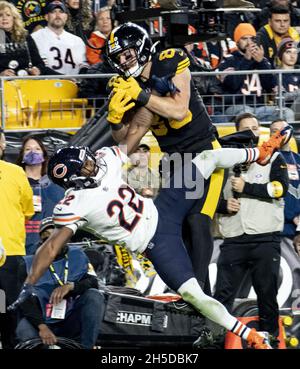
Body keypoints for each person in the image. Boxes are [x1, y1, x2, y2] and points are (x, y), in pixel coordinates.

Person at [9, 130, 292, 349]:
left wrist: (139, 98)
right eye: (83, 168)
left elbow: (136, 129)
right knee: (194, 294)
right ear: (73, 182)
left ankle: (260, 152)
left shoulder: (105, 160)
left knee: (207, 158)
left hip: (161, 208)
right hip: (156, 244)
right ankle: (251, 335)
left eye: (88, 159)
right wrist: (30, 283)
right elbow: (52, 246)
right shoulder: (73, 205)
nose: (91, 165)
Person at [104, 22, 225, 295]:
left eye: (127, 54)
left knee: (197, 221)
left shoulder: (169, 60)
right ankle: (183, 289)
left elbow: (179, 110)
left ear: (143, 48)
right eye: (118, 58)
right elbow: (130, 138)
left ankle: (200, 293)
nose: (124, 62)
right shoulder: (133, 86)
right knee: (172, 228)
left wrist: (141, 94)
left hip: (206, 154)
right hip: (175, 163)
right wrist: (114, 121)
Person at [212, 113, 289, 346]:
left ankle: (270, 341)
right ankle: (215, 341)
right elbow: (204, 197)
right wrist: (222, 205)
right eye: (246, 128)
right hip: (233, 238)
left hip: (265, 239)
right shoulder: (223, 160)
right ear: (236, 131)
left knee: (267, 296)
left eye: (255, 128)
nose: (252, 133)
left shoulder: (274, 157)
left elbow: (279, 189)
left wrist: (247, 187)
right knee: (222, 297)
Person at [15, 217, 104, 349]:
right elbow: (24, 301)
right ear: (41, 242)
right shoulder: (27, 263)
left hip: (69, 319)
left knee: (94, 296)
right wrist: (42, 327)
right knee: (24, 331)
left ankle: (87, 346)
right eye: (46, 240)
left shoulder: (79, 256)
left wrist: (71, 286)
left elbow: (93, 282)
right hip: (41, 321)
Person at [0, 128, 34, 348]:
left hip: (11, 254)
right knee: (7, 309)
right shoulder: (15, 173)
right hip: (11, 251)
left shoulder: (16, 172)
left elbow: (27, 209)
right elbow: (27, 209)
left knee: (9, 309)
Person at [217, 22, 281, 122]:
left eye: (252, 38)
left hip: (260, 107)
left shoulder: (261, 60)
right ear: (237, 41)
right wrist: (246, 60)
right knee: (248, 115)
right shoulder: (228, 60)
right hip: (236, 107)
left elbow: (271, 86)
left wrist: (261, 63)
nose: (249, 42)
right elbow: (233, 85)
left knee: (285, 112)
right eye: (244, 38)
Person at [15, 135, 65, 255]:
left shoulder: (56, 185)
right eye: (28, 149)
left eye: (37, 149)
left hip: (52, 245)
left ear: (44, 156)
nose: (33, 152)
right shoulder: (15, 182)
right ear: (22, 156)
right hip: (21, 243)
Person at [0, 1, 60, 76]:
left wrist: (38, 70)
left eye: (8, 15)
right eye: (0, 15)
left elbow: (39, 64)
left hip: (28, 82)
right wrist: (1, 74)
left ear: (14, 18)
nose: (4, 18)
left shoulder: (25, 36)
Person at [31, 1, 88, 75]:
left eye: (61, 12)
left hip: (73, 85)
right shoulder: (35, 38)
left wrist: (78, 81)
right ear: (46, 17)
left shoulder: (77, 40)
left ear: (66, 17)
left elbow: (84, 66)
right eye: (53, 12)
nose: (58, 15)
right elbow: (39, 67)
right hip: (46, 84)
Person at [270, 119, 300, 248]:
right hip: (280, 229)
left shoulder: (298, 159)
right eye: (274, 131)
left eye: (281, 130)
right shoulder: (267, 160)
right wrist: (292, 216)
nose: (278, 134)